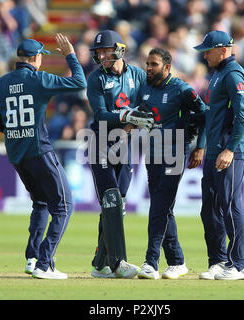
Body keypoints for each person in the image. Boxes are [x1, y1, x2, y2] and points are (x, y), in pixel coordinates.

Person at [0, 34, 87, 279]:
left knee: (41, 203)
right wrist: (70, 55)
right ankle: (45, 263)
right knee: (63, 206)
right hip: (40, 151)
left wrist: (15, 130)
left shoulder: (2, 82)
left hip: (17, 155)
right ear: (36, 58)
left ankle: (32, 259)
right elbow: (79, 82)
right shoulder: (39, 79)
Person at [87, 30, 154, 279]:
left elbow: (147, 106)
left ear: (119, 50)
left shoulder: (137, 74)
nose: (102, 55)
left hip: (125, 144)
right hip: (101, 144)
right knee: (112, 200)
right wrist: (126, 117)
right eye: (99, 52)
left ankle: (99, 263)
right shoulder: (96, 79)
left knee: (118, 206)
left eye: (106, 50)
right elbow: (100, 114)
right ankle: (117, 263)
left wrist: (131, 125)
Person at [188, 30, 244, 280]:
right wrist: (202, 145)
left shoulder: (234, 74)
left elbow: (243, 115)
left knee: (230, 205)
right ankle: (219, 261)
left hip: (230, 151)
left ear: (223, 50)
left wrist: (230, 148)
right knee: (210, 209)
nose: (204, 55)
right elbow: (210, 115)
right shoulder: (217, 75)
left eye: (208, 51)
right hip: (214, 151)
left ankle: (240, 265)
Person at [137, 48, 205, 280]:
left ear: (167, 67)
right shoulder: (144, 89)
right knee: (163, 208)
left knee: (158, 207)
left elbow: (205, 114)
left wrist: (200, 146)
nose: (148, 68)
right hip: (152, 153)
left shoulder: (182, 89)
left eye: (153, 64)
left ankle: (151, 262)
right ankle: (177, 262)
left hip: (175, 154)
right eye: (147, 63)